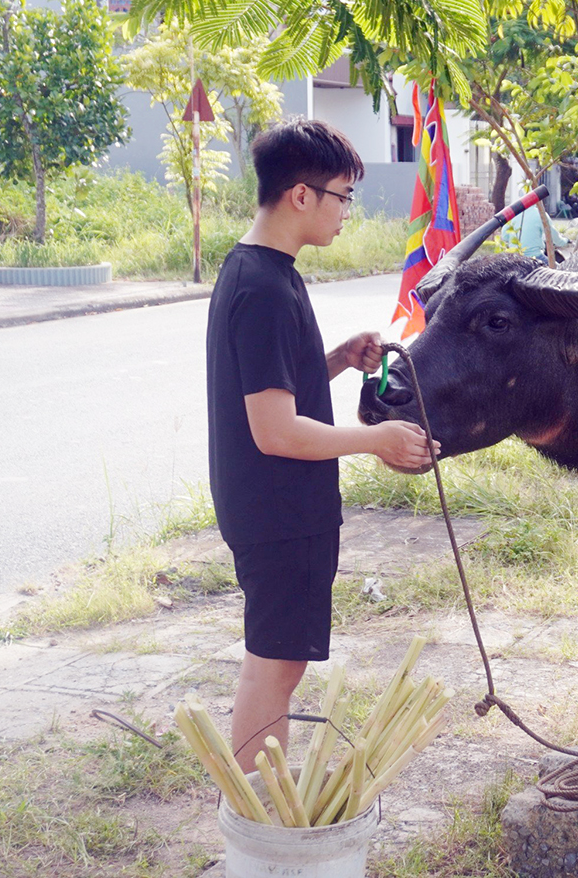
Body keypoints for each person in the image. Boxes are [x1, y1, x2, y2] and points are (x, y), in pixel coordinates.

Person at [206, 118, 437, 766]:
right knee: (274, 667)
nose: (346, 212)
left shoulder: (261, 272)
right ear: (301, 195)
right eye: (343, 196)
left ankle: (259, 807)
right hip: (279, 511)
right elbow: (274, 430)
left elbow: (270, 389)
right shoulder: (264, 289)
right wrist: (375, 440)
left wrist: (335, 359)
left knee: (280, 663)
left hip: (274, 507)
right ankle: (256, 813)